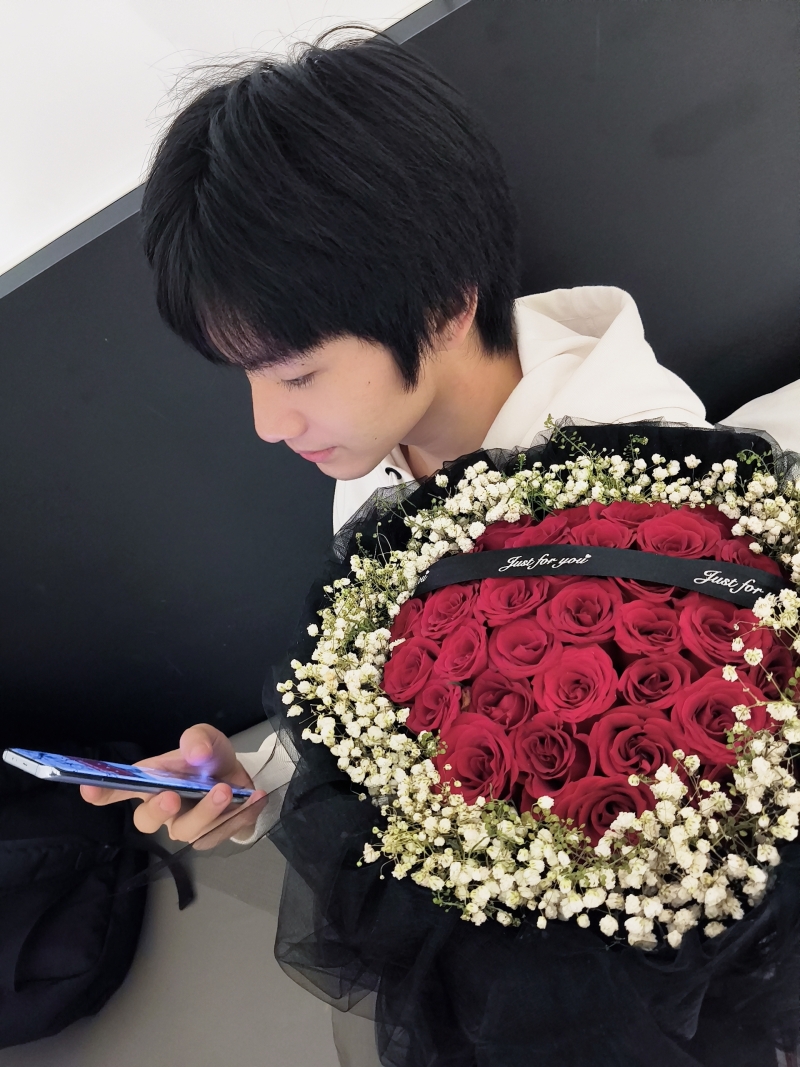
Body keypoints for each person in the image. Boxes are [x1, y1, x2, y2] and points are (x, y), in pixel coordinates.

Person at [79, 26, 800, 1066]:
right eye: (246, 376)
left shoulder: (644, 502)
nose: (267, 424)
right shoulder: (380, 455)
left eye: (295, 373)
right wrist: (253, 782)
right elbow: (411, 705)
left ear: (444, 304)